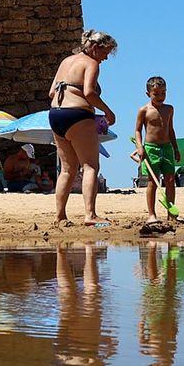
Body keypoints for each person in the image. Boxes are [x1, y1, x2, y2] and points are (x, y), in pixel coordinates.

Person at [47, 30, 118, 226]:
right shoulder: (91, 63)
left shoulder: (66, 61)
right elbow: (88, 92)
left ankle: (60, 216)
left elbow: (52, 92)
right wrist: (108, 111)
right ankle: (90, 215)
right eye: (106, 53)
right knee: (91, 166)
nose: (105, 58)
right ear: (95, 48)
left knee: (67, 169)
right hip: (77, 114)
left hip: (56, 114)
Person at [131, 76, 180, 222]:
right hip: (151, 149)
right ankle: (151, 215)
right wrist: (140, 147)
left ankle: (171, 214)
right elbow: (138, 130)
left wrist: (175, 148)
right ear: (148, 94)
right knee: (153, 181)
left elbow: (171, 129)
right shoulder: (143, 110)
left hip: (167, 148)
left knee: (170, 180)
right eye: (156, 94)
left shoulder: (169, 109)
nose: (160, 97)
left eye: (163, 93)